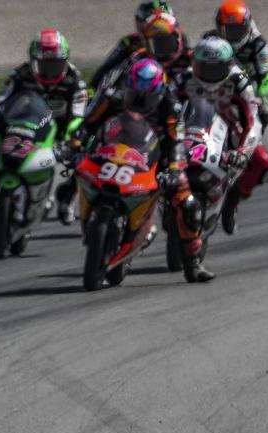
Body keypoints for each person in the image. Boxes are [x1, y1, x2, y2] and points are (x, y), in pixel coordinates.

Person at [81, 58, 210, 283]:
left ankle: (193, 263)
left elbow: (176, 142)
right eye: (133, 95)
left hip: (154, 158)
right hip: (111, 152)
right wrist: (75, 143)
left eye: (145, 98)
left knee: (187, 203)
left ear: (158, 94)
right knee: (78, 172)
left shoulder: (171, 107)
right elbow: (88, 124)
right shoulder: (112, 97)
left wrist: (173, 168)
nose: (138, 102)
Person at [0, 29, 88, 224]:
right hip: (24, 124)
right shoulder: (20, 75)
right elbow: (0, 102)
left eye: (55, 65)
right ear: (33, 61)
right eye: (43, 65)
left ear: (65, 61)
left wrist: (71, 139)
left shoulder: (74, 80)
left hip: (60, 128)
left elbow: (78, 114)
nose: (49, 71)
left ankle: (66, 197)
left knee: (84, 155)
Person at [176, 36, 268, 235]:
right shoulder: (184, 78)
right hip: (191, 126)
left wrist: (243, 151)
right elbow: (161, 109)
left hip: (229, 126)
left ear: (228, 66)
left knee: (262, 164)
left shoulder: (238, 80)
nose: (210, 75)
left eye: (216, 69)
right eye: (205, 68)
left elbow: (253, 119)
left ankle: (233, 198)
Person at [203, 0, 268, 128]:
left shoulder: (258, 44)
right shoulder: (210, 40)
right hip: (215, 87)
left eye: (237, 31)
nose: (233, 36)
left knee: (263, 115)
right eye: (228, 31)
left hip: (249, 90)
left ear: (247, 26)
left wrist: (259, 95)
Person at [92, 5, 191, 89]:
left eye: (167, 43)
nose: (162, 51)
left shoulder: (191, 57)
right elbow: (109, 73)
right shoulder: (136, 57)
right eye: (156, 44)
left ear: (178, 38)